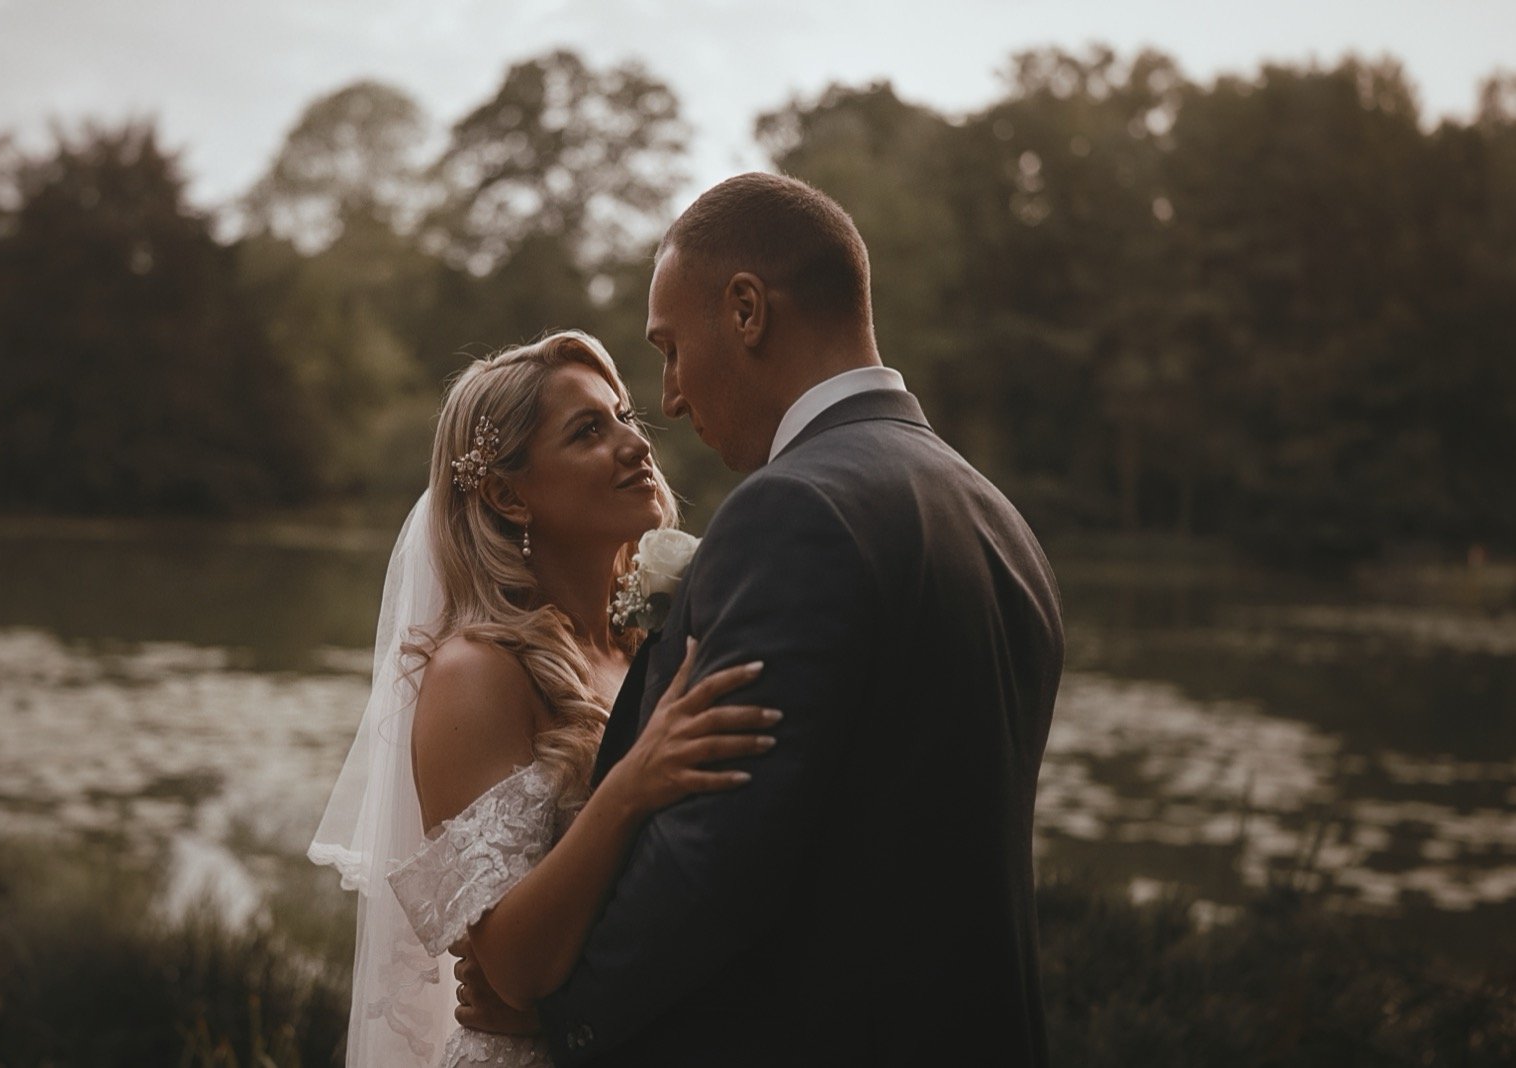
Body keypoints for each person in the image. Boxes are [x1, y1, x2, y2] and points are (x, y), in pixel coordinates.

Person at [503, 173, 1067, 1065]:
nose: (674, 396)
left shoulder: (792, 510)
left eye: (671, 348)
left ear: (746, 311)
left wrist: (559, 1017)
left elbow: (712, 861)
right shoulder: (997, 518)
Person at [309, 330, 778, 1067]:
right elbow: (514, 970)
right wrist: (631, 786)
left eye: (624, 416)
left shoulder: (653, 644)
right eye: (589, 431)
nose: (635, 444)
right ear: (505, 494)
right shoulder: (478, 673)